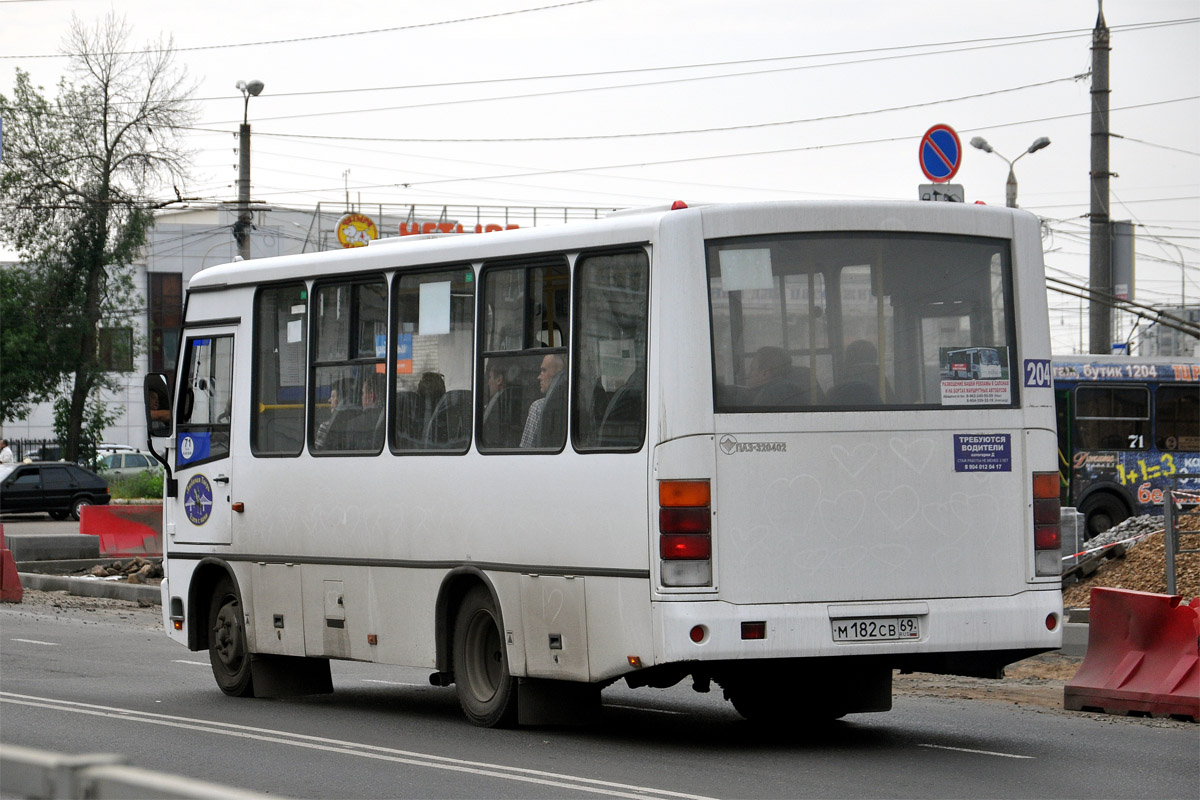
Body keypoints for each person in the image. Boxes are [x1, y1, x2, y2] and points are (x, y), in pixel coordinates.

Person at [746, 346, 823, 406]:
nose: (748, 375)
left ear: (765, 374)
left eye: (752, 369)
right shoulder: (791, 393)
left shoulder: (772, 395)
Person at [520, 353, 565, 448]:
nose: (539, 377)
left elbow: (525, 450)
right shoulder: (578, 406)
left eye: (544, 370)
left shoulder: (537, 407)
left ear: (556, 374)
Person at [481, 360, 524, 448]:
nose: (488, 382)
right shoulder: (507, 399)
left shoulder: (500, 402)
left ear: (499, 380)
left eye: (490, 377)